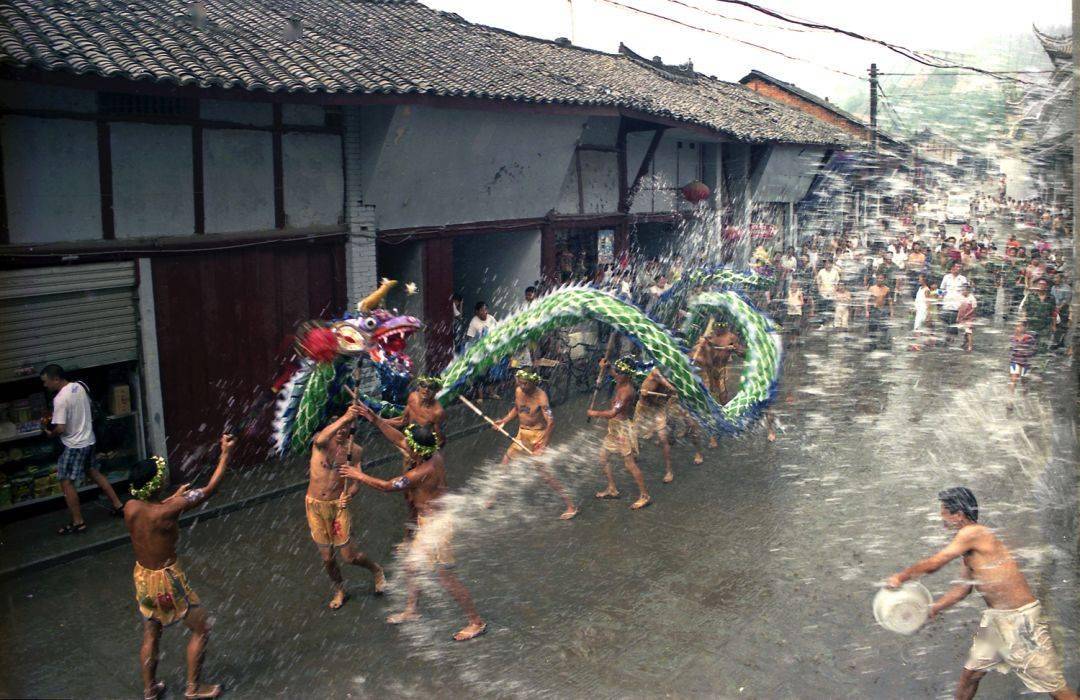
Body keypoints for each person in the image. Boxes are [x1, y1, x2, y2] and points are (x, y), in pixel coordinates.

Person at [886, 488, 1076, 700]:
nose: (941, 518)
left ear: (958, 515)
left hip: (1020, 620)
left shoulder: (972, 533)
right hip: (998, 621)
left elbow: (935, 563)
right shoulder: (970, 548)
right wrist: (932, 609)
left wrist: (901, 577)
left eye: (943, 512)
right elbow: (962, 589)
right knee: (971, 675)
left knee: (1054, 686)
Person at [340, 407, 486, 641]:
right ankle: (412, 610)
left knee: (446, 577)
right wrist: (376, 419)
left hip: (438, 526)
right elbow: (399, 438)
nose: (405, 446)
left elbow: (388, 486)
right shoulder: (431, 453)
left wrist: (359, 476)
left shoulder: (422, 471)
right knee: (411, 566)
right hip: (428, 522)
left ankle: (476, 622)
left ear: (416, 451)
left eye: (409, 445)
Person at [124, 434, 235, 700]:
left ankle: (150, 690)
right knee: (202, 628)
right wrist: (225, 454)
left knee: (152, 632)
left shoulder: (131, 507)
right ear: (155, 484)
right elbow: (210, 489)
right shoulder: (168, 510)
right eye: (161, 476)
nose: (165, 477)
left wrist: (172, 499)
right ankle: (193, 689)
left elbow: (155, 511)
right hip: (167, 580)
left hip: (143, 577)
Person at [305, 405, 385, 609]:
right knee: (327, 558)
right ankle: (339, 589)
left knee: (349, 557)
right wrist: (345, 417)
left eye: (346, 426)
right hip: (315, 505)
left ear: (351, 428)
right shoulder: (320, 443)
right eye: (337, 426)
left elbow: (356, 481)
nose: (341, 430)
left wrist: (348, 495)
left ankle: (376, 569)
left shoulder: (354, 451)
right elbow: (323, 437)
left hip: (337, 507)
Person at [39, 364, 125, 534]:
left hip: (74, 445)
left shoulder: (60, 399)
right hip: (89, 440)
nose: (45, 385)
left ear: (55, 379)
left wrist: (50, 433)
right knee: (94, 472)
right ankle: (118, 505)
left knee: (66, 482)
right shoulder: (80, 386)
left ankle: (78, 522)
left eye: (46, 381)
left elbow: (61, 428)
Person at [492, 368, 577, 520]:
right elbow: (517, 409)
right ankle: (494, 495)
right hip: (522, 434)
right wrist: (504, 420)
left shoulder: (541, 397)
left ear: (533, 382)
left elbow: (551, 422)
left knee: (544, 474)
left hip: (538, 436)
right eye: (520, 383)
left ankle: (571, 505)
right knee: (505, 461)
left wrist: (543, 445)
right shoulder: (518, 391)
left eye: (525, 384)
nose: (522, 386)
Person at [587, 356, 650, 510]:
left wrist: (594, 413)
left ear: (627, 376)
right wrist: (606, 366)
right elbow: (612, 372)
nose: (616, 375)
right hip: (614, 428)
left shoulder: (626, 392)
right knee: (603, 457)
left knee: (629, 464)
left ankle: (645, 495)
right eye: (617, 372)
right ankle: (612, 488)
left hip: (623, 430)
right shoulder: (622, 380)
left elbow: (612, 413)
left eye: (620, 373)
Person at [633, 366, 679, 484]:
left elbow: (673, 392)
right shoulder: (656, 372)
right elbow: (667, 385)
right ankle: (634, 454)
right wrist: (644, 391)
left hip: (658, 407)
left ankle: (669, 470)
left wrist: (674, 393)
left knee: (663, 437)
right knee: (634, 432)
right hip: (644, 407)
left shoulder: (675, 375)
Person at [466, 302, 498, 401]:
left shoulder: (491, 319)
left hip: (490, 351)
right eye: (482, 310)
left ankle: (492, 393)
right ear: (477, 312)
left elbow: (498, 331)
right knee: (479, 375)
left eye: (486, 310)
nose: (485, 312)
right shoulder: (474, 322)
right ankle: (480, 397)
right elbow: (470, 338)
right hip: (478, 353)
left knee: (490, 374)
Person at [1022, 278, 1057, 352]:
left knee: (1043, 346)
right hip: (1032, 323)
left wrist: (1054, 325)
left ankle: (1040, 360)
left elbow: (1054, 312)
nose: (1041, 286)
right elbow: (1025, 308)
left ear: (1046, 286)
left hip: (1045, 325)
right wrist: (1024, 318)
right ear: (1037, 285)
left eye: (1043, 284)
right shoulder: (1031, 296)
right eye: (1040, 284)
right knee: (1029, 345)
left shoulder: (1051, 298)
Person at [865, 272, 893, 349]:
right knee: (872, 328)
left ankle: (884, 344)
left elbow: (890, 301)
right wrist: (867, 311)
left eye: (881, 278)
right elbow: (868, 300)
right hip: (874, 310)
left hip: (883, 310)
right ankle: (872, 345)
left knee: (884, 328)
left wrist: (891, 312)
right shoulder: (872, 288)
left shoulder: (887, 289)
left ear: (884, 279)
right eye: (878, 278)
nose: (879, 280)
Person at [1009, 321, 1037, 395]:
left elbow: (1034, 349)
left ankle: (1025, 397)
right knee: (1013, 379)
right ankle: (1010, 400)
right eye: (1016, 326)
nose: (1017, 328)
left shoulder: (1029, 338)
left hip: (1025, 362)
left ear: (1024, 328)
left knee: (1023, 380)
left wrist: (1027, 354)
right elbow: (1011, 349)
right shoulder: (1013, 338)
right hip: (1015, 361)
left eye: (1020, 326)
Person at [912, 276, 936, 349]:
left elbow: (928, 302)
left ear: (924, 280)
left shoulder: (926, 290)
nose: (919, 280)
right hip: (918, 310)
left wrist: (928, 313)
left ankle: (917, 345)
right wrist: (914, 308)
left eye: (920, 278)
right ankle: (930, 343)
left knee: (918, 327)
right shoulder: (920, 288)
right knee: (921, 328)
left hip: (923, 311)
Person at [815, 257, 840, 325]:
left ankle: (831, 324)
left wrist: (834, 292)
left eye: (829, 263)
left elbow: (837, 283)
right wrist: (820, 291)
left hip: (832, 294)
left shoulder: (835, 272)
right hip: (823, 294)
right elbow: (818, 283)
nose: (827, 264)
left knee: (831, 310)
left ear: (831, 264)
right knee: (823, 310)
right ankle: (823, 324)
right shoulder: (821, 272)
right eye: (826, 263)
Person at [956, 284, 978, 352]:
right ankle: (965, 342)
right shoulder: (961, 297)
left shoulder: (972, 298)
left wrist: (967, 315)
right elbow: (960, 308)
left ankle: (970, 346)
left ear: (967, 291)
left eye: (964, 290)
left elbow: (974, 309)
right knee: (964, 331)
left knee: (969, 332)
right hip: (962, 316)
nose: (962, 292)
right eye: (962, 290)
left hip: (969, 317)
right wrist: (958, 317)